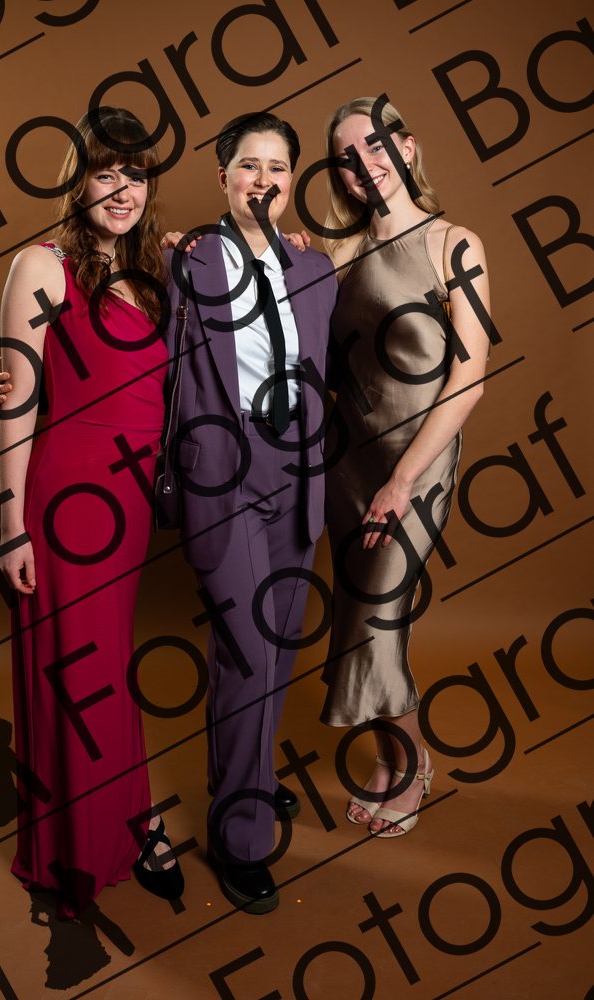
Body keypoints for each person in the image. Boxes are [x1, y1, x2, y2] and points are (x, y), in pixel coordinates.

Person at [0, 106, 183, 918]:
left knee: (108, 664)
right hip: (67, 499)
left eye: (135, 175)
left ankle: (126, 818)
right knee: (78, 670)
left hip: (129, 503)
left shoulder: (153, 272)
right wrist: (11, 526)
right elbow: (16, 404)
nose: (122, 190)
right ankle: (87, 843)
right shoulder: (41, 266)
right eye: (106, 173)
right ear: (78, 182)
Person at [160, 111, 337, 912]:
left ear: (292, 180)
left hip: (300, 471)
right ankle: (240, 838)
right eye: (247, 166)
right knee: (248, 653)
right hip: (224, 473)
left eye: (278, 168)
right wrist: (26, 381)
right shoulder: (184, 260)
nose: (263, 180)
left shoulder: (315, 268)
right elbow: (113, 318)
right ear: (222, 177)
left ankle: (252, 779)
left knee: (279, 649)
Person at [320, 96, 490, 836]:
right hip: (346, 462)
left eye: (376, 145)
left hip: (416, 461)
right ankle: (391, 762)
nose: (365, 164)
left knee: (378, 619)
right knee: (358, 617)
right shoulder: (338, 253)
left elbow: (470, 376)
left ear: (408, 147)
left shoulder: (455, 244)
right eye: (346, 158)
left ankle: (414, 763)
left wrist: (401, 481)